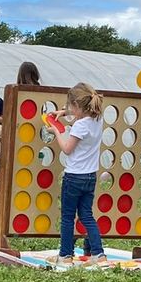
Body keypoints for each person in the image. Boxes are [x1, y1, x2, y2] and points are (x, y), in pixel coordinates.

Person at [44, 83, 107, 265]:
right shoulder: (97, 120)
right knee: (87, 215)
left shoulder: (80, 125)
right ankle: (99, 255)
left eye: (69, 106)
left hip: (74, 177)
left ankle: (65, 256)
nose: (67, 109)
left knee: (67, 217)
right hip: (90, 176)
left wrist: (56, 130)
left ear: (77, 106)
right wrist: (62, 113)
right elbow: (77, 113)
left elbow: (67, 149)